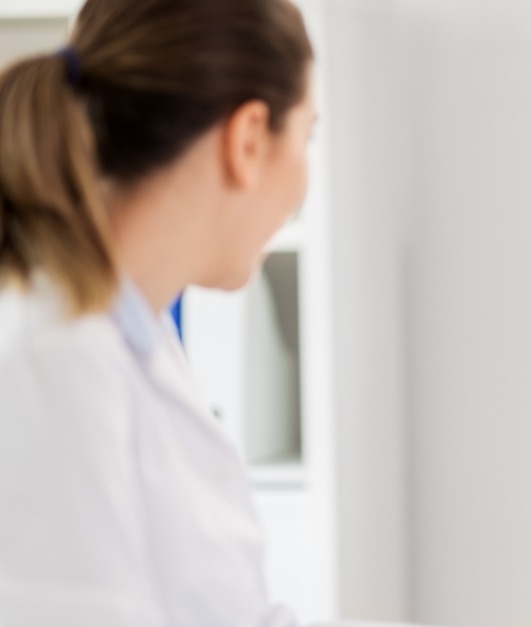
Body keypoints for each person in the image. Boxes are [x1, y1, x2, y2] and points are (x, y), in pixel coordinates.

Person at [0, 0, 314, 624]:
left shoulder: (132, 339)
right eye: (307, 136)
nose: (304, 179)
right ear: (248, 139)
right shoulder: (49, 360)